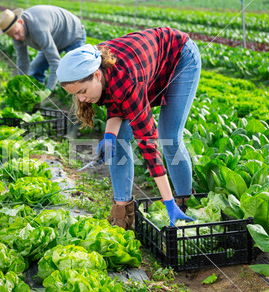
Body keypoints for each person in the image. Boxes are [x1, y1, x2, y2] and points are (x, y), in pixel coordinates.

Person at [56, 27, 201, 230]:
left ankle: (183, 204)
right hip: (144, 67)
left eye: (82, 91)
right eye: (76, 95)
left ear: (97, 75)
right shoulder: (94, 66)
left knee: (170, 136)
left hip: (179, 58)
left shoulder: (127, 82)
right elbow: (115, 105)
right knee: (119, 139)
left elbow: (148, 144)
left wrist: (167, 202)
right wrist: (109, 136)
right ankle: (122, 212)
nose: (81, 99)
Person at [0, 5, 86, 101]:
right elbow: (22, 60)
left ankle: (79, 111)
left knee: (76, 74)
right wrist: (20, 83)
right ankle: (34, 102)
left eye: (16, 33)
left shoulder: (38, 29)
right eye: (12, 36)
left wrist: (48, 89)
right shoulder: (15, 32)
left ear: (20, 22)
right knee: (35, 68)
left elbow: (55, 62)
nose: (16, 38)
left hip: (73, 34)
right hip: (53, 39)